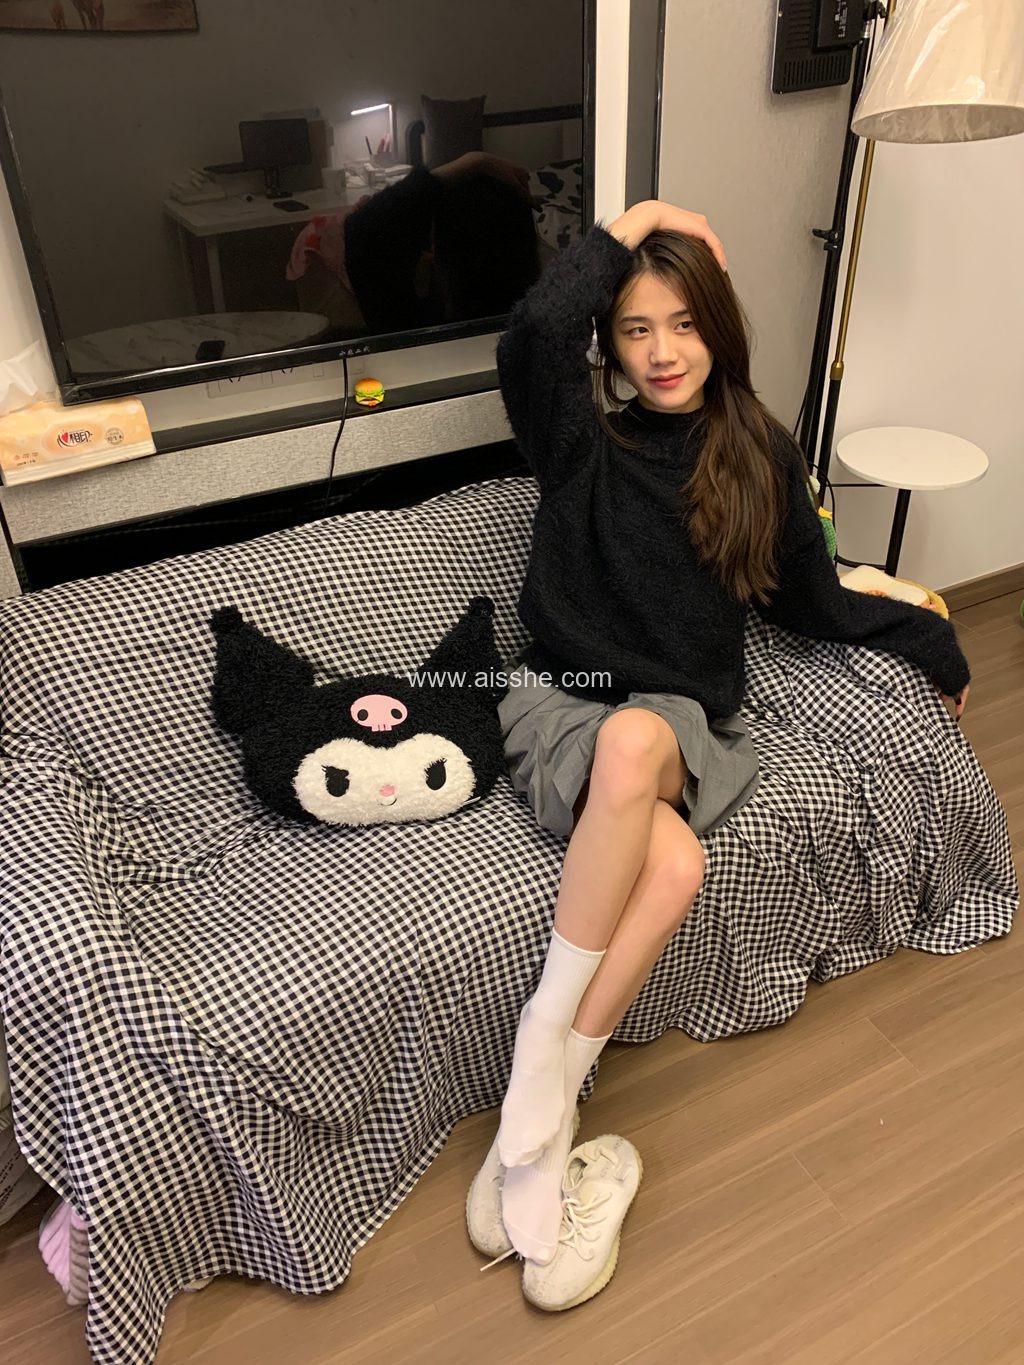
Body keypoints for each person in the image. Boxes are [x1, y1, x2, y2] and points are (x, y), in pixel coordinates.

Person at [465, 199, 971, 1305]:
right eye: (636, 328)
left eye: (685, 323)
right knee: (671, 842)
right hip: (565, 707)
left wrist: (927, 635)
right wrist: (636, 222)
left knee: (658, 785)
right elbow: (532, 334)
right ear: (610, 343)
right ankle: (549, 1072)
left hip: (682, 728)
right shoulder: (581, 443)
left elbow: (814, 601)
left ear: (719, 329)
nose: (662, 351)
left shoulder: (758, 455)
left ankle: (539, 1097)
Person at [287, 151, 544, 336]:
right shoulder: (543, 328)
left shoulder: (413, 329)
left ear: (441, 250)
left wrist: (476, 161)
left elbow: (365, 229)